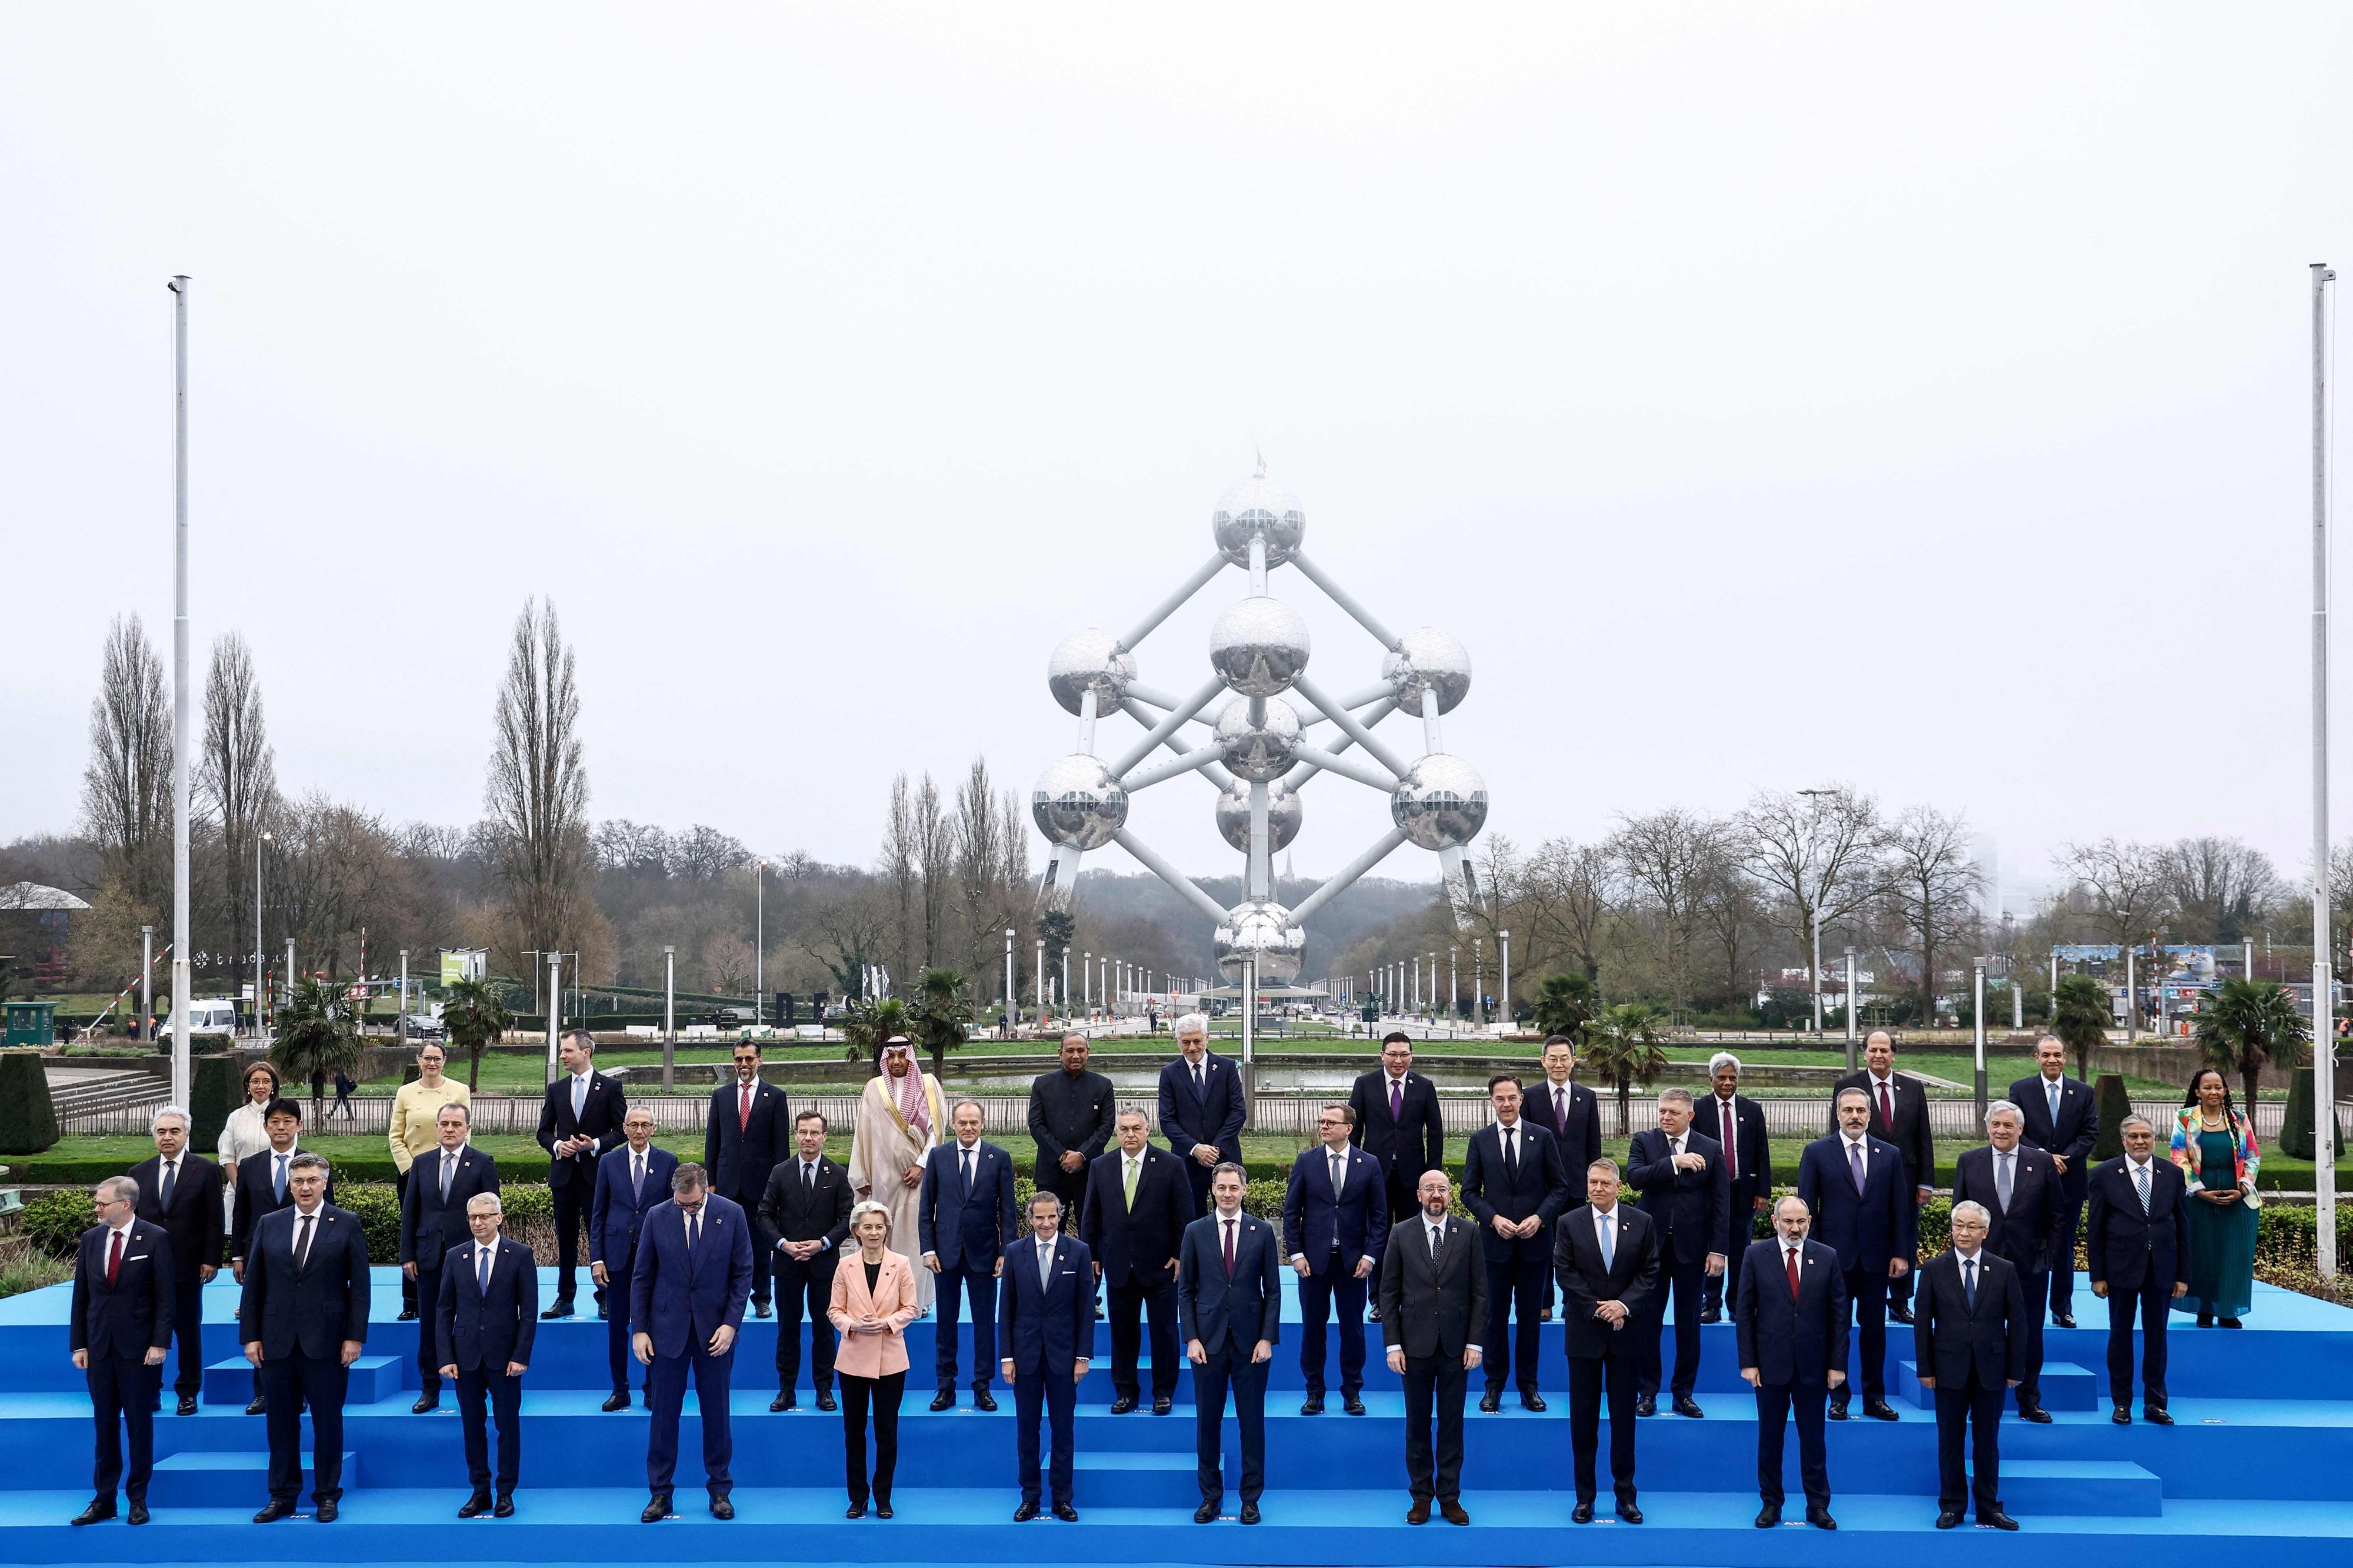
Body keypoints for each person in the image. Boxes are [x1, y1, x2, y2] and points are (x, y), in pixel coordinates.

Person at [238, 1152, 369, 1522]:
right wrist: (250, 1336)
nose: (305, 1187)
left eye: (312, 1180)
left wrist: (354, 1337)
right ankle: (282, 1496)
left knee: (328, 1422)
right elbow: (255, 1285)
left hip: (327, 1343)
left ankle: (327, 1494)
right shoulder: (270, 1223)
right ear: (290, 1185)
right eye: (298, 1181)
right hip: (276, 1342)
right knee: (280, 1423)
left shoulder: (346, 1223)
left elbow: (359, 1288)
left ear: (324, 1182)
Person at [631, 1162, 753, 1522]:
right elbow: (642, 1276)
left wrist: (731, 1324)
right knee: (663, 1416)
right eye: (681, 1203)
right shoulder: (657, 1216)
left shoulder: (732, 1215)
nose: (686, 1209)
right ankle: (660, 1494)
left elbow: (743, 1272)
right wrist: (640, 1330)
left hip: (715, 1332)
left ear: (706, 1191)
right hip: (666, 1333)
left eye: (693, 1204)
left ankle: (720, 1489)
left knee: (716, 1413)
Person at [1796, 1087, 1914, 1422]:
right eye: (1848, 1110)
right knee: (1835, 1328)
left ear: (1870, 1114)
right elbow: (1807, 1210)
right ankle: (1838, 1397)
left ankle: (1875, 1397)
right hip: (1833, 1260)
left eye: (1861, 1110)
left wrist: (1901, 1253)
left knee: (1874, 1330)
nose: (1854, 1116)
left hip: (1877, 1260)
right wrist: (1811, 1256)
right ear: (1837, 1114)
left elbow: (1899, 1210)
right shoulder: (1817, 1152)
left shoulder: (1889, 1155)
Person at [1552, 1158, 1658, 1524]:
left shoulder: (1641, 1223)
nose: (1597, 1188)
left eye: (1604, 1183)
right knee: (1583, 1422)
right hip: (1585, 1336)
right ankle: (1585, 1498)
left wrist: (1623, 1306)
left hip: (1626, 1337)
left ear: (1618, 1187)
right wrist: (1598, 1309)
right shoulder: (1569, 1223)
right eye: (1592, 1182)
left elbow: (1650, 1272)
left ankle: (1626, 1496)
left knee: (1623, 1421)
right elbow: (1564, 1271)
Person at [1733, 1197, 1848, 1530]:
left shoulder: (1827, 1257)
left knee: (1814, 1439)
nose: (1794, 1228)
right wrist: (1748, 1362)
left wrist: (1837, 1365)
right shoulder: (1756, 1255)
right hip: (1769, 1367)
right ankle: (1771, 1503)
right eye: (1788, 1222)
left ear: (1809, 1221)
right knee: (1770, 1439)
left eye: (1801, 1221)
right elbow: (1745, 1313)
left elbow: (1840, 1316)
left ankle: (1818, 1506)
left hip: (1814, 1367)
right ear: (1774, 1221)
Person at [1379, 1168, 1485, 1526]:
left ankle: (1450, 1498)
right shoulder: (1401, 1233)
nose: (1436, 1194)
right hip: (1413, 1347)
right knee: (1418, 1425)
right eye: (1429, 1189)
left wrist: (1475, 1342)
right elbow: (1388, 1292)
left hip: (1456, 1347)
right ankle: (1421, 1497)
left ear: (1450, 1195)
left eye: (1442, 1188)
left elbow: (1480, 1293)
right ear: (1419, 1195)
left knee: (1452, 1426)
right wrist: (1393, 1345)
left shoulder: (1469, 1232)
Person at [1178, 1162, 1281, 1524]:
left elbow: (1274, 1290)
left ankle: (1251, 1500)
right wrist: (1191, 1337)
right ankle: (1211, 1498)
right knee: (1208, 1422)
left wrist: (1268, 1337)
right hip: (1206, 1345)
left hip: (1252, 1345)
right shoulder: (1195, 1231)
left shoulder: (1263, 1231)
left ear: (1244, 1190)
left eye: (1233, 1188)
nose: (1227, 1194)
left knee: (1251, 1423)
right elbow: (1186, 1290)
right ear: (1212, 1190)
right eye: (1221, 1187)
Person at [1914, 1200, 2027, 1530]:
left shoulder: (2004, 1269)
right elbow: (1923, 1323)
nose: (1964, 1232)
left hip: (1991, 1370)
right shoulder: (1934, 1269)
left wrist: (2014, 1371)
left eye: (1972, 1227)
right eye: (1958, 1225)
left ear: (1985, 1233)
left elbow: (2018, 1324)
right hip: (1948, 1369)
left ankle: (1989, 1507)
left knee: (1987, 1440)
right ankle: (1952, 1505)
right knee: (1950, 1439)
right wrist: (1925, 1368)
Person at [70, 1176, 173, 1526]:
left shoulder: (155, 1238)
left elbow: (165, 1297)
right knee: (104, 1425)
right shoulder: (91, 1239)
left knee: (139, 1426)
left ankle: (138, 1499)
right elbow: (81, 1297)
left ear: (126, 1205)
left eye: (103, 1203)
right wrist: (79, 1344)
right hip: (99, 1348)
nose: (97, 1209)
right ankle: (104, 1499)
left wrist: (160, 1342)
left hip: (139, 1350)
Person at [1951, 1102, 2063, 1421]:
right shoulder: (1969, 1161)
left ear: (2020, 1129)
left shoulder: (2041, 1162)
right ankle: (1979, 1400)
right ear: (1988, 1128)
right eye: (1996, 1125)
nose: (2002, 1131)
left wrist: (2048, 1256)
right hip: (1981, 1265)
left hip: (2030, 1266)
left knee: (2029, 1332)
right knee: (1980, 1332)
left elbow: (2057, 1215)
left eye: (2008, 1126)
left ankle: (2029, 1399)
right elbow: (1959, 1215)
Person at [1460, 1074, 1566, 1411]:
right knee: (1494, 1317)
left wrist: (1540, 1218)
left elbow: (1560, 1187)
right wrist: (1493, 1219)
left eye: (1512, 1098)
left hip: (1535, 1245)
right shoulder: (1480, 1140)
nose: (1506, 1104)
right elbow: (1468, 1192)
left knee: (1530, 1319)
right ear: (1491, 1101)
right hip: (1496, 1246)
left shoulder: (1543, 1137)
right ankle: (1493, 1386)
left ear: (1521, 1099)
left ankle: (1529, 1386)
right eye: (1499, 1098)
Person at [1625, 1087, 1728, 1417]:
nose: (1666, 1117)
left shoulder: (1711, 1149)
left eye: (1673, 1112)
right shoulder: (1645, 1141)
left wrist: (1718, 1250)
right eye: (1662, 1111)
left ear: (1690, 1116)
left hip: (1693, 1250)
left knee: (1688, 1325)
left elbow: (1720, 1204)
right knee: (1647, 1323)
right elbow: (1635, 1178)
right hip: (1650, 1250)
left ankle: (1684, 1393)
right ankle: (1647, 1392)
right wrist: (1673, 1162)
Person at [1081, 1107, 1191, 1415]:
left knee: (1165, 1332)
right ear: (1117, 1133)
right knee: (1123, 1333)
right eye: (1124, 1129)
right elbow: (1091, 1215)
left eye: (1136, 1129)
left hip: (1160, 1267)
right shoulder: (1101, 1166)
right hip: (1118, 1265)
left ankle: (1163, 1392)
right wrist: (1093, 1254)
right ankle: (1125, 1392)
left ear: (1148, 1130)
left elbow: (1184, 1216)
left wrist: (1180, 1254)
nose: (1130, 1135)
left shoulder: (1171, 1165)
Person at [1282, 1102, 1387, 1414]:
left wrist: (1370, 1256)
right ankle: (1314, 1392)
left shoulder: (1368, 1164)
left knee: (1352, 1329)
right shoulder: (1307, 1161)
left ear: (1348, 1129)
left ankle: (1352, 1391)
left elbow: (1380, 1218)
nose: (1324, 1126)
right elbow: (1291, 1212)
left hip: (1353, 1264)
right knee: (1313, 1329)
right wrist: (1296, 1254)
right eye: (1322, 1121)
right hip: (1313, 1263)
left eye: (1331, 1122)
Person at [436, 1193, 536, 1517]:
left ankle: (506, 1491)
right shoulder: (455, 1256)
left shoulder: (520, 1255)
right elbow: (444, 1311)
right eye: (472, 1218)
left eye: (484, 1216)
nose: (478, 1223)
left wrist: (521, 1355)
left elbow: (529, 1310)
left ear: (499, 1218)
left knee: (508, 1426)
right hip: (465, 1358)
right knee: (472, 1425)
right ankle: (480, 1490)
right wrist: (445, 1357)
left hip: (505, 1357)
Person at [2087, 1113, 2190, 1424]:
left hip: (2161, 1269)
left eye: (2145, 1136)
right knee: (2120, 1336)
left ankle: (2156, 1403)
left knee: (2157, 1337)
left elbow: (2183, 1226)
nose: (2140, 1142)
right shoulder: (2104, 1174)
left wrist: (2183, 1274)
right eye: (2133, 1137)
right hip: (2120, 1270)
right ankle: (2121, 1403)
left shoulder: (2172, 1173)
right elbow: (2095, 1228)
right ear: (2123, 1140)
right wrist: (2098, 1275)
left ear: (2154, 1139)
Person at [999, 1191, 1096, 1521]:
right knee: (1027, 1431)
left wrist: (1083, 1357)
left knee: (1063, 1430)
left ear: (1060, 1216)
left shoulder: (1079, 1252)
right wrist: (1006, 1358)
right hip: (1024, 1358)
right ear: (1030, 1219)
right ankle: (1030, 1497)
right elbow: (1006, 1309)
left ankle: (1062, 1499)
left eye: (1051, 1217)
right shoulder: (1014, 1252)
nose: (1046, 1223)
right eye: (1039, 1218)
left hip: (1064, 1358)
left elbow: (1086, 1309)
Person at [230, 1097, 329, 1416]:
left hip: (304, 1260)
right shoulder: (251, 1165)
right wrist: (237, 1256)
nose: (281, 1127)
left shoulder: (314, 1166)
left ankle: (300, 1391)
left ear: (299, 1125)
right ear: (266, 1127)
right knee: (263, 1320)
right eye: (275, 1121)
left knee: (299, 1321)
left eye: (288, 1121)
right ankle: (263, 1392)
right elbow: (241, 1213)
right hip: (263, 1256)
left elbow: (330, 1216)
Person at [401, 1102, 499, 1413]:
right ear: (437, 1127)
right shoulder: (422, 1163)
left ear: (468, 1128)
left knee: (473, 1321)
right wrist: (407, 1255)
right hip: (429, 1257)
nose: (450, 1129)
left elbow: (491, 1212)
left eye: (457, 1124)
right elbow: (411, 1212)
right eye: (444, 1123)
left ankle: (477, 1385)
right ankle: (430, 1388)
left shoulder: (483, 1162)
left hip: (470, 1258)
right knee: (431, 1323)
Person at [918, 1098, 1016, 1410]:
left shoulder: (999, 1157)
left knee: (984, 1322)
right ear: (954, 1124)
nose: (968, 1128)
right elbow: (926, 1207)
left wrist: (1006, 1252)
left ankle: (982, 1386)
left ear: (982, 1123)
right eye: (962, 1122)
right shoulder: (938, 1156)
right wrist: (928, 1248)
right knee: (945, 1323)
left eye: (974, 1122)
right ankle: (945, 1387)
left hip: (984, 1254)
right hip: (945, 1254)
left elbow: (1008, 1211)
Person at [1832, 1032, 1934, 1323]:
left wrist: (1925, 1182)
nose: (1879, 1055)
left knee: (1905, 1234)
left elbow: (1923, 1136)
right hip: (1863, 1180)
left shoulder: (1913, 1088)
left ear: (1894, 1055)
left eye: (1884, 1050)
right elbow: (1834, 1136)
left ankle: (1900, 1301)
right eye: (1873, 1050)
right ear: (1864, 1054)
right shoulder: (1847, 1087)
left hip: (1907, 1176)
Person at [128, 1105, 221, 1417]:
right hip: (145, 1268)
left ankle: (188, 1392)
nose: (168, 1137)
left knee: (187, 1331)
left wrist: (211, 1259)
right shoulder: (138, 1173)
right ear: (154, 1136)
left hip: (188, 1266)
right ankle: (150, 1390)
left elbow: (214, 1219)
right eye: (162, 1132)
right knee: (147, 1331)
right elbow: (132, 1222)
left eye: (174, 1131)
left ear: (187, 1135)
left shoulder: (205, 1170)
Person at [828, 1199, 918, 1519]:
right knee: (854, 1432)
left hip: (890, 1358)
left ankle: (883, 1497)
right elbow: (834, 1310)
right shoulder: (844, 1266)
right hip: (852, 1358)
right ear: (856, 1231)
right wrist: (853, 1325)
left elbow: (911, 1308)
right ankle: (857, 1498)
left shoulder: (902, 1264)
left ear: (887, 1230)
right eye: (867, 1226)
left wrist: (888, 1323)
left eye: (879, 1226)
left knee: (886, 1431)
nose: (874, 1232)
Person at [758, 1109, 852, 1411]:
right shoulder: (780, 1172)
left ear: (824, 1137)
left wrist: (823, 1243)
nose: (808, 1138)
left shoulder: (837, 1174)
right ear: (795, 1135)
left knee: (824, 1329)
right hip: (788, 1265)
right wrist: (783, 1245)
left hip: (824, 1265)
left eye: (814, 1133)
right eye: (803, 1132)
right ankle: (786, 1391)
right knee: (788, 1328)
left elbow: (848, 1216)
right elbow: (764, 1215)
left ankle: (824, 1389)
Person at [538, 1028, 629, 1319]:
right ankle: (565, 1298)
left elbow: (621, 1131)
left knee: (598, 1237)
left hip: (597, 1177)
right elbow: (542, 1132)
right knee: (566, 1238)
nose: (562, 1056)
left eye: (567, 1051)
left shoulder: (611, 1087)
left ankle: (605, 1296)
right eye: (562, 1051)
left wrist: (595, 1145)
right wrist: (557, 1146)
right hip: (564, 1177)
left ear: (586, 1052)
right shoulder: (556, 1089)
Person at [591, 1107, 678, 1411]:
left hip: (655, 1259)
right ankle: (620, 1389)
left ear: (654, 1128)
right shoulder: (608, 1161)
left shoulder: (668, 1162)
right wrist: (596, 1259)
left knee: (653, 1323)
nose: (639, 1131)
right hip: (617, 1259)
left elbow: (673, 1214)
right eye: (633, 1125)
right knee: (617, 1326)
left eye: (645, 1125)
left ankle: (652, 1387)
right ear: (625, 1128)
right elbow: (598, 1213)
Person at [848, 1039, 943, 1316]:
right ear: (885, 1060)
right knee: (881, 1237)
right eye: (892, 1057)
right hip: (883, 1178)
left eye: (903, 1056)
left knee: (914, 1240)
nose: (897, 1061)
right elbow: (862, 1134)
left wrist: (922, 1165)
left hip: (917, 1179)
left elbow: (937, 1131)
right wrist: (862, 1174)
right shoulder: (874, 1088)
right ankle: (882, 1300)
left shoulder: (928, 1085)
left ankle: (917, 1302)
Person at [2009, 1035, 2098, 1328]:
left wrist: (2065, 1159)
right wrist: (2046, 1157)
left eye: (2057, 1054)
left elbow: (2089, 1134)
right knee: (2029, 1245)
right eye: (2046, 1055)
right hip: (2031, 1182)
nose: (2052, 1060)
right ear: (2036, 1058)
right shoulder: (2021, 1090)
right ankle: (2023, 1306)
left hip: (2070, 1182)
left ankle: (2062, 1308)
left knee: (2063, 1248)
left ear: (2065, 1057)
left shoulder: (2083, 1092)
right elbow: (2016, 1131)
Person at [1348, 1034, 1445, 1284]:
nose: (1399, 1060)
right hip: (1375, 1173)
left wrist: (1431, 1176)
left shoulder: (1424, 1086)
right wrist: (1353, 1170)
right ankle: (1379, 1297)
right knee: (1378, 1235)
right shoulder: (1365, 1084)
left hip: (1412, 1176)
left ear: (1411, 1056)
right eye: (1393, 1054)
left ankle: (1411, 1292)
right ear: (1382, 1055)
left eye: (1404, 1054)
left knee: (1412, 1236)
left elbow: (1435, 1133)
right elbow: (1354, 1131)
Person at [705, 1040, 789, 1320]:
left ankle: (762, 1298)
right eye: (739, 1059)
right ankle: (727, 1296)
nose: (744, 1064)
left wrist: (779, 1186)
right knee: (724, 1244)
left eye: (749, 1059)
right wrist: (712, 1182)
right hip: (727, 1185)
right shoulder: (721, 1095)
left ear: (760, 1061)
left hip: (762, 1185)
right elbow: (712, 1142)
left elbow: (781, 1147)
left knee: (761, 1244)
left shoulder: (775, 1096)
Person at [388, 1044, 471, 1323]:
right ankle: (411, 1300)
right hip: (413, 1174)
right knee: (415, 1232)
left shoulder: (459, 1090)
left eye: (437, 1058)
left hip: (450, 1174)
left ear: (445, 1061)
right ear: (418, 1060)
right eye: (427, 1058)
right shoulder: (405, 1092)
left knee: (448, 1233)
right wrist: (415, 1170)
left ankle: (456, 1294)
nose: (432, 1063)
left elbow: (463, 1134)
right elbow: (396, 1136)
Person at [2171, 1067, 2259, 1329]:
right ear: (2197, 1092)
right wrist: (2199, 1191)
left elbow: (2253, 1157)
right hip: (2199, 1200)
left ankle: (2228, 1309)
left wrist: (2242, 1189)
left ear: (2225, 1090)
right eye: (2207, 1087)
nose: (2214, 1092)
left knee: (2233, 1255)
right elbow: (2179, 1157)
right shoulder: (2185, 1119)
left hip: (2237, 1200)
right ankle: (2205, 1309)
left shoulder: (2238, 1119)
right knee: (2202, 1252)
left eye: (2218, 1087)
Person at [1524, 1034, 1601, 1321]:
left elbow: (1594, 1145)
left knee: (1576, 1249)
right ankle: (1545, 1302)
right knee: (1543, 1247)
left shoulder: (1587, 1096)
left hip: (1576, 1186)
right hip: (1542, 1188)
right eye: (1552, 1059)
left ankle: (1573, 1301)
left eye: (1564, 1058)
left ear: (1574, 1061)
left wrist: (1593, 1183)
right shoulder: (1530, 1097)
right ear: (1543, 1062)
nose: (1559, 1064)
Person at [1699, 1053, 1772, 1324]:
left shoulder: (1752, 1110)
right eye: (1722, 1078)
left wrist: (1763, 1191)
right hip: (1711, 1192)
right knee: (1712, 1247)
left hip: (1743, 1191)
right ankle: (1711, 1303)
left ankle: (1737, 1304)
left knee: (1741, 1250)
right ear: (1711, 1080)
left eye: (1732, 1078)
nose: (1727, 1082)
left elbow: (1762, 1152)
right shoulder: (1699, 1110)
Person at [1028, 1032, 1114, 1239]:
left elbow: (1107, 1126)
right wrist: (1062, 1155)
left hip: (1090, 1173)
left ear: (1088, 1053)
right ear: (1060, 1054)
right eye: (1070, 1051)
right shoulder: (1043, 1084)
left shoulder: (1103, 1086)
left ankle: (1090, 1272)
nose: (1075, 1056)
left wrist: (1081, 1155)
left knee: (1092, 1233)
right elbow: (1036, 1125)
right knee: (1049, 1234)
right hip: (1052, 1173)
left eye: (1080, 1051)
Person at [1159, 1015, 1246, 1217]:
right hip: (1188, 1161)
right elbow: (1167, 1120)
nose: (1192, 1048)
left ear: (1208, 1038)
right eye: (1186, 1042)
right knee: (1189, 1220)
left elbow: (1238, 1111)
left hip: (1225, 1157)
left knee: (1233, 1217)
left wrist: (1216, 1148)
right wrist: (1195, 1148)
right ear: (1177, 1041)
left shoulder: (1227, 1067)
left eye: (1197, 1041)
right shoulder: (1169, 1073)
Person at [216, 1062, 285, 1210]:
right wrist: (241, 1190)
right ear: (248, 1086)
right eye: (255, 1082)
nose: (261, 1086)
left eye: (266, 1081)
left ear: (273, 1086)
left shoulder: (283, 1118)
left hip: (274, 1195)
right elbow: (228, 1157)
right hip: (239, 1194)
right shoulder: (236, 1117)